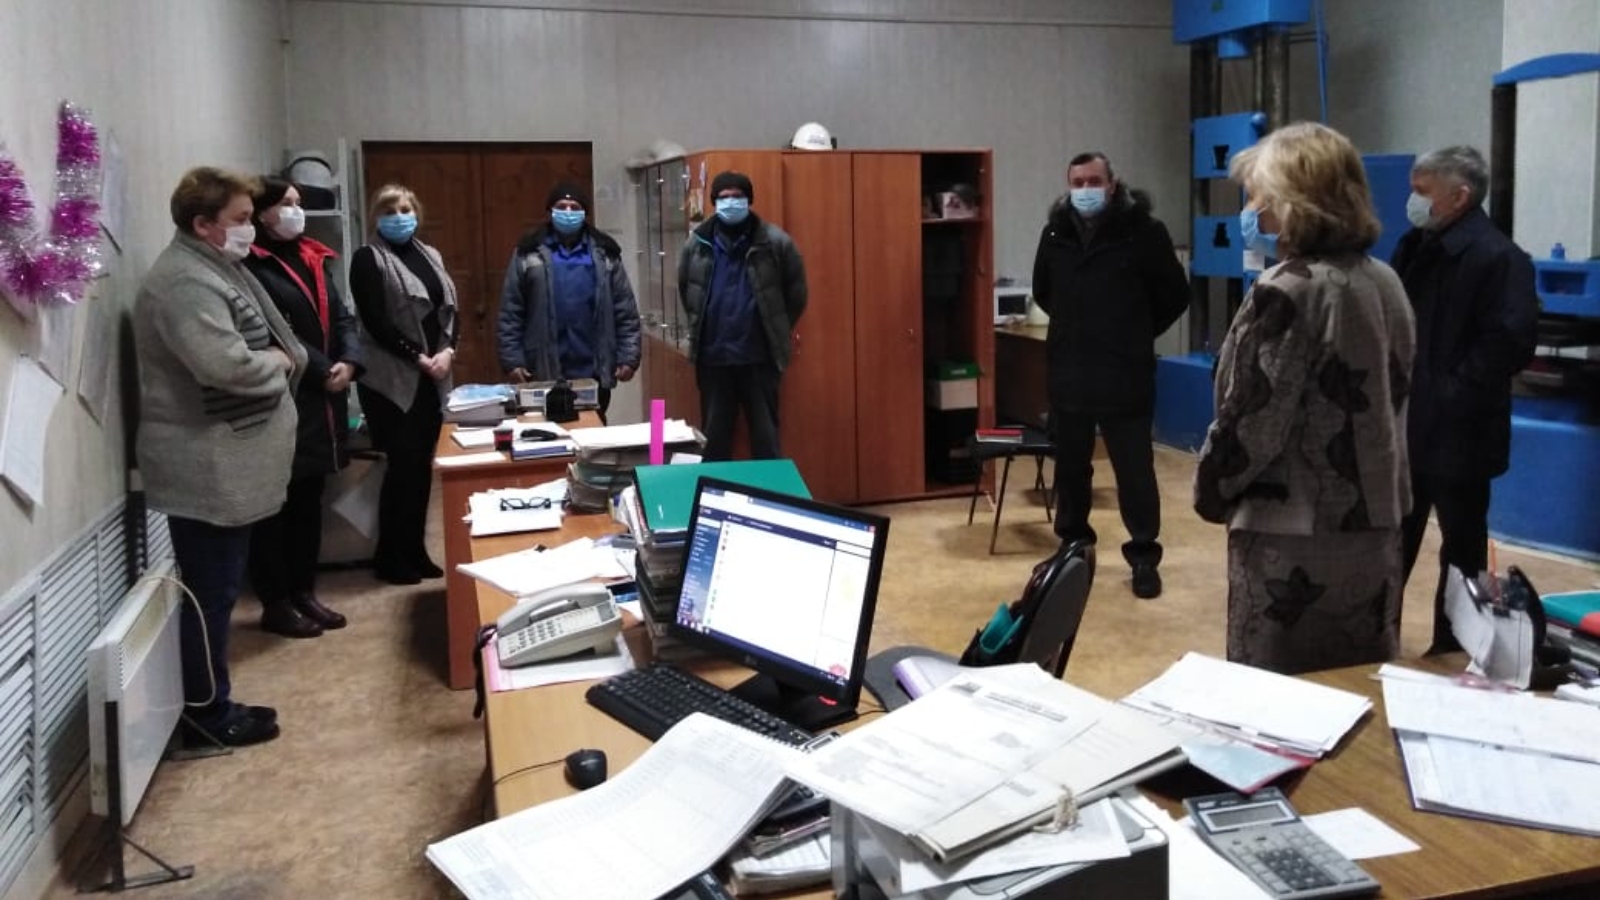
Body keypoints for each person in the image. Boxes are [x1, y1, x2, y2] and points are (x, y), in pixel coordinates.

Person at [1193, 122, 1416, 675]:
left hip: (1293, 535)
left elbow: (1253, 421)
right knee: (1357, 683)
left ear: (1293, 199)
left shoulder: (1288, 289)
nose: (1252, 210)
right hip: (1376, 523)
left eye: (1258, 196)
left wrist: (1212, 489)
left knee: (1280, 696)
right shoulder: (1384, 280)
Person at [133, 166, 307, 746]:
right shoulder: (184, 282)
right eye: (240, 218)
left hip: (225, 460)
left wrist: (281, 356)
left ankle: (214, 702)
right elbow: (226, 365)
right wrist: (279, 362)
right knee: (210, 595)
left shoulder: (214, 265)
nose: (250, 227)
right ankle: (208, 718)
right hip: (205, 467)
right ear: (203, 224)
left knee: (218, 591)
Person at [1391, 146, 1538, 655]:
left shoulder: (1500, 258)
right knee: (1391, 542)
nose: (1414, 202)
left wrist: (1450, 394)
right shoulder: (1415, 247)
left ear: (1460, 196)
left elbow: (1510, 342)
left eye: (1423, 192)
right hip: (1407, 427)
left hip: (1462, 434)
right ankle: (1372, 635)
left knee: (1461, 549)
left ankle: (1452, 646)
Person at [1031, 152, 1189, 599]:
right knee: (1071, 469)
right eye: (1078, 182)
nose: (1086, 189)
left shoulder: (1144, 232)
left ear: (1113, 184)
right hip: (1070, 372)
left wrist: (1134, 332)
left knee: (1134, 471)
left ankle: (1143, 556)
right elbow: (1043, 290)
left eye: (1094, 180)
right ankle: (1073, 548)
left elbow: (1175, 295)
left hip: (1125, 373)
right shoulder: (1056, 233)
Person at [243, 175, 364, 637]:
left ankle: (304, 591)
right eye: (287, 203)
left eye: (299, 202)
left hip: (324, 396)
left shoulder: (313, 256)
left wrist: (349, 361)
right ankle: (276, 602)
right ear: (262, 213)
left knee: (308, 503)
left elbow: (342, 316)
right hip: (289, 394)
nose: (297, 210)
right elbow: (274, 331)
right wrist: (323, 369)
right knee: (276, 508)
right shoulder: (253, 265)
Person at [349, 184, 459, 585]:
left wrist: (448, 351)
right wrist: (418, 357)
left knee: (420, 468)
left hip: (431, 376)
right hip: (390, 380)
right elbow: (375, 322)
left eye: (405, 210)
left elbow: (450, 310)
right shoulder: (368, 259)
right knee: (401, 467)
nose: (399, 217)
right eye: (389, 211)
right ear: (376, 217)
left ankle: (415, 549)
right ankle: (390, 556)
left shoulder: (430, 254)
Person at [678, 171, 807, 460]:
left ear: (749, 200)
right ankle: (715, 490)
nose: (731, 202)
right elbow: (688, 292)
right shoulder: (697, 243)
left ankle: (768, 489)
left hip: (759, 358)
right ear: (714, 202)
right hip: (713, 358)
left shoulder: (775, 242)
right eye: (724, 197)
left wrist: (776, 327)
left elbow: (796, 293)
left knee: (766, 440)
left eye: (738, 196)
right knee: (714, 442)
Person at [497, 182, 641, 419]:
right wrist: (512, 361)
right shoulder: (528, 251)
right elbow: (511, 312)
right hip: (543, 368)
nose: (568, 212)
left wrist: (629, 356)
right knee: (545, 433)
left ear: (585, 213)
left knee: (592, 432)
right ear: (549, 211)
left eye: (574, 207)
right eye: (561, 206)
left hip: (593, 369)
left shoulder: (605, 252)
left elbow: (624, 310)